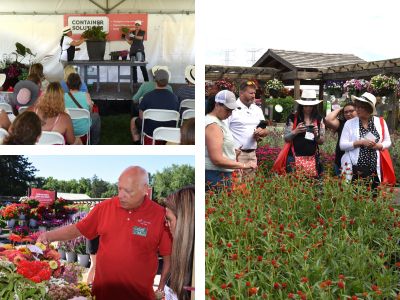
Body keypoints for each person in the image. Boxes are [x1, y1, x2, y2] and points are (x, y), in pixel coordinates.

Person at [37, 166, 172, 300]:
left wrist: (160, 289)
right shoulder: (104, 208)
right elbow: (78, 229)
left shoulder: (160, 215)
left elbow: (168, 258)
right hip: (102, 294)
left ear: (145, 189)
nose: (121, 195)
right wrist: (48, 236)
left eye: (128, 191)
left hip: (140, 295)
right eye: (119, 188)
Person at [205, 90, 257, 190]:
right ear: (217, 105)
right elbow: (217, 159)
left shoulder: (217, 121)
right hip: (215, 175)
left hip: (218, 174)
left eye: (232, 110)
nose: (230, 113)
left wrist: (232, 153)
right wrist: (244, 165)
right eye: (227, 110)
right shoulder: (213, 125)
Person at [340, 92, 391, 190]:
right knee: (355, 198)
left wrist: (378, 146)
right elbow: (342, 145)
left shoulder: (380, 122)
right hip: (355, 167)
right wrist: (360, 143)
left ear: (369, 108)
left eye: (360, 107)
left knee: (373, 198)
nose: (357, 109)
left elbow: (387, 141)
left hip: (374, 167)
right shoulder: (349, 123)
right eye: (357, 106)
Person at [225, 81, 268, 179]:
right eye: (251, 93)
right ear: (241, 93)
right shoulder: (232, 108)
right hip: (237, 154)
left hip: (252, 154)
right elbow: (223, 131)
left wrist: (262, 132)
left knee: (249, 187)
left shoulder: (257, 109)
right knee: (236, 186)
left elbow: (265, 130)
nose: (254, 96)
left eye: (254, 93)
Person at [130, 69, 179, 144]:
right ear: (167, 81)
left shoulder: (147, 96)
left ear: (155, 80)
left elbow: (141, 117)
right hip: (169, 131)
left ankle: (137, 143)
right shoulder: (174, 98)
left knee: (133, 120)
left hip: (150, 131)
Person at [284, 90, 325, 177]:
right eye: (305, 106)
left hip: (312, 158)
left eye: (311, 106)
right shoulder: (293, 118)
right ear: (301, 105)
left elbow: (321, 141)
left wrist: (316, 134)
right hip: (293, 157)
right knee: (294, 185)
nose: (308, 108)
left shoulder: (319, 119)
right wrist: (295, 131)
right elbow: (286, 138)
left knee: (312, 185)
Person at [164, 186, 195, 300]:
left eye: (169, 219)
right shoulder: (183, 258)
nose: (166, 224)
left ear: (184, 221)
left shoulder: (194, 274)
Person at [64, 73, 101, 144]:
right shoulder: (86, 95)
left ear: (67, 84)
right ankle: (94, 143)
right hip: (83, 129)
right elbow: (90, 112)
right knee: (96, 116)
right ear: (80, 84)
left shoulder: (62, 97)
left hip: (67, 128)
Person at [325, 102, 357, 175]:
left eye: (351, 111)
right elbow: (328, 119)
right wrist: (341, 109)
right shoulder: (342, 123)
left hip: (356, 162)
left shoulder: (362, 124)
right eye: (346, 112)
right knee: (341, 185)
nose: (348, 114)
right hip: (340, 160)